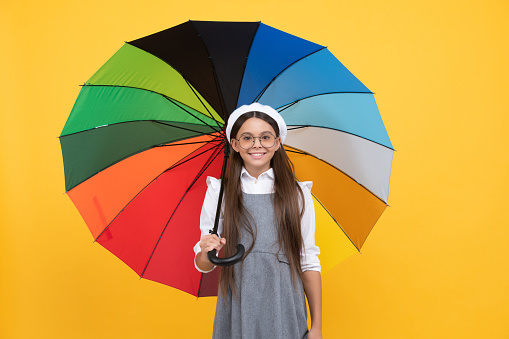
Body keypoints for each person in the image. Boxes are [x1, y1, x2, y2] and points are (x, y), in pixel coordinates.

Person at [194, 103, 322, 339]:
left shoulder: (297, 193)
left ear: (278, 142)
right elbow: (205, 264)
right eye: (247, 138)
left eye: (265, 137)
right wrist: (206, 250)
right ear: (234, 144)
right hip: (238, 298)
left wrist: (317, 327)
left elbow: (308, 261)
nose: (257, 145)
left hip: (284, 301)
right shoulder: (219, 191)